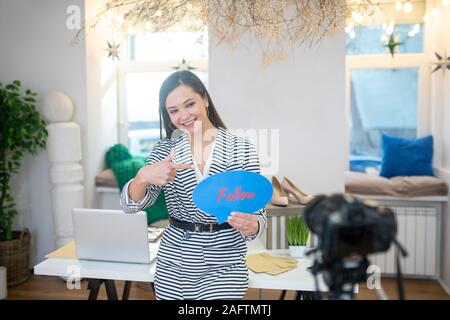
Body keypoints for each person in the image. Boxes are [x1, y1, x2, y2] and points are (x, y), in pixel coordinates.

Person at [120, 70, 267, 300]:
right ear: (168, 116)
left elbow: (258, 215)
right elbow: (130, 207)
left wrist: (253, 226)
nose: (184, 116)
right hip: (174, 263)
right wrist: (142, 177)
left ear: (205, 99)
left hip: (225, 263)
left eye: (189, 104)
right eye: (174, 110)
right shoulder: (163, 151)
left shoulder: (241, 149)